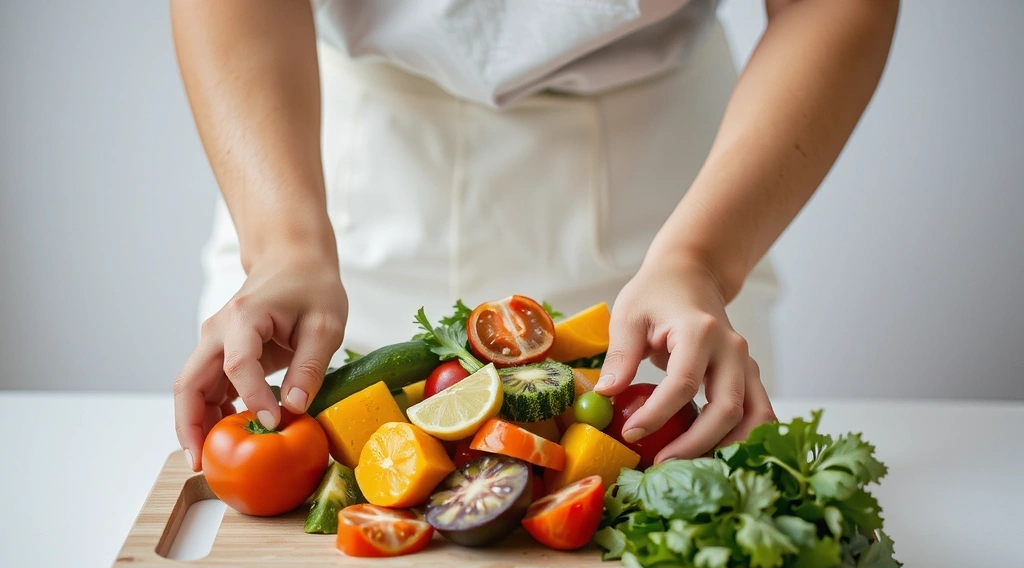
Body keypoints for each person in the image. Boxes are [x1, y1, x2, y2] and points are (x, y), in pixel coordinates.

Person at [170, 0, 898, 472]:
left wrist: (700, 259)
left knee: (690, 467)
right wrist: (283, 244)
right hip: (322, 157)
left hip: (679, 190)